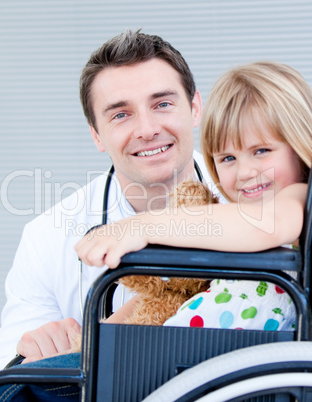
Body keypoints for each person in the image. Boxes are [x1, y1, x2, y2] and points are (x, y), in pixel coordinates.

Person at [0, 29, 218, 383]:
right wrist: (27, 358)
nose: (147, 129)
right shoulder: (46, 237)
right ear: (96, 134)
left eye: (163, 104)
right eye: (121, 115)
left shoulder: (255, 201)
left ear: (195, 108)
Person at [76, 61, 312, 331]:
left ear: (299, 143)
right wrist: (89, 344)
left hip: (219, 367)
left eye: (262, 151)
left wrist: (141, 226)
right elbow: (170, 294)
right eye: (228, 158)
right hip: (182, 354)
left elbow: (265, 224)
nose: (245, 172)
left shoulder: (299, 199)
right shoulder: (233, 228)